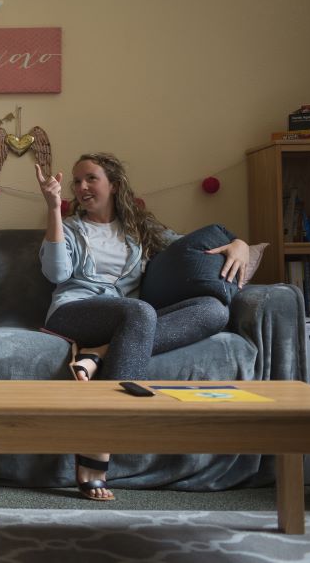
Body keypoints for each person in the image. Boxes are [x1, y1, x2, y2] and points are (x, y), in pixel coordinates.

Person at [35, 153, 250, 501]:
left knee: (214, 310)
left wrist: (239, 244)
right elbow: (56, 273)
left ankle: (99, 354)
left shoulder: (139, 229)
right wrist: (52, 209)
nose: (82, 187)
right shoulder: (71, 227)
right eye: (77, 181)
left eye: (91, 178)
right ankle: (98, 445)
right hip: (74, 312)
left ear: (114, 184)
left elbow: (189, 247)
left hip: (129, 321)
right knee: (140, 312)